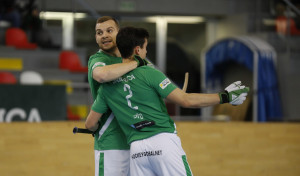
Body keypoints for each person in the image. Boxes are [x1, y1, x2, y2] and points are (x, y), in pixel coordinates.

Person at [85, 26, 249, 175]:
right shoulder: (149, 73)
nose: (146, 52)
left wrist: (97, 128)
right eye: (145, 48)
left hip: (136, 151)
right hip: (162, 142)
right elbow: (186, 101)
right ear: (137, 50)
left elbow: (90, 124)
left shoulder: (106, 88)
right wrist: (225, 96)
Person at [87, 16, 148, 176]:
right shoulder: (98, 59)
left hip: (137, 142)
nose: (104, 35)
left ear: (119, 33)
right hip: (111, 142)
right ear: (95, 38)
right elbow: (101, 75)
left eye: (109, 30)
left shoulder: (130, 59)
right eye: (99, 33)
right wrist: (137, 63)